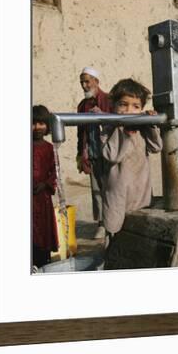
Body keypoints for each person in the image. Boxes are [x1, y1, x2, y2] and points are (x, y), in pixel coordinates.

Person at [100, 78, 163, 243]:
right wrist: (122, 130)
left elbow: (156, 147)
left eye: (135, 106)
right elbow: (112, 155)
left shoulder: (142, 127)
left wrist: (151, 124)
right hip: (118, 194)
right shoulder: (108, 129)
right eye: (123, 105)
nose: (129, 110)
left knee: (139, 235)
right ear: (113, 106)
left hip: (140, 191)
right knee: (115, 235)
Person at [76, 67, 112, 239]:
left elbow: (115, 124)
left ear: (96, 81)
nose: (84, 85)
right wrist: (80, 153)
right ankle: (101, 223)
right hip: (93, 153)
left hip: (110, 154)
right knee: (96, 190)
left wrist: (102, 114)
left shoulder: (107, 100)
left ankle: (114, 221)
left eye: (87, 81)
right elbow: (80, 132)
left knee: (112, 188)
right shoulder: (82, 106)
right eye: (82, 82)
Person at [32, 105, 59, 268]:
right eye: (33, 123)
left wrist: (45, 184)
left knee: (43, 234)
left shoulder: (50, 149)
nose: (37, 128)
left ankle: (43, 264)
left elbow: (54, 172)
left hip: (42, 199)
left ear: (47, 126)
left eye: (41, 123)